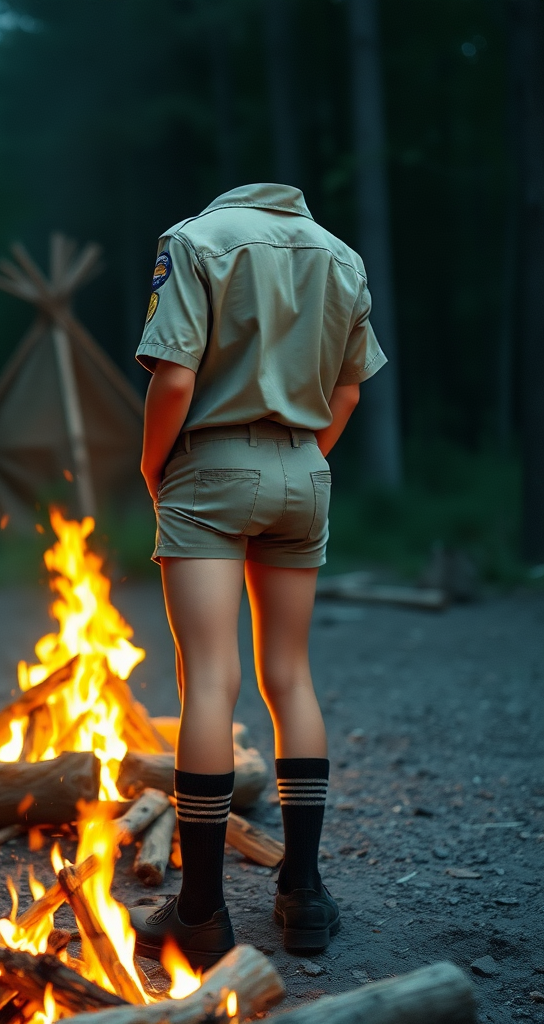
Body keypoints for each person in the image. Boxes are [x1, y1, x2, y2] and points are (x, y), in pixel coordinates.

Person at [128, 183, 386, 967]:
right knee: (290, 677)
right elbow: (347, 387)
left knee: (210, 680)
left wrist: (154, 467)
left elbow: (173, 378)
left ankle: (201, 913)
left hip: (210, 467)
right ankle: (302, 896)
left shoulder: (195, 239)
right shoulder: (341, 255)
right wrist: (303, 458)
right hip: (304, 471)